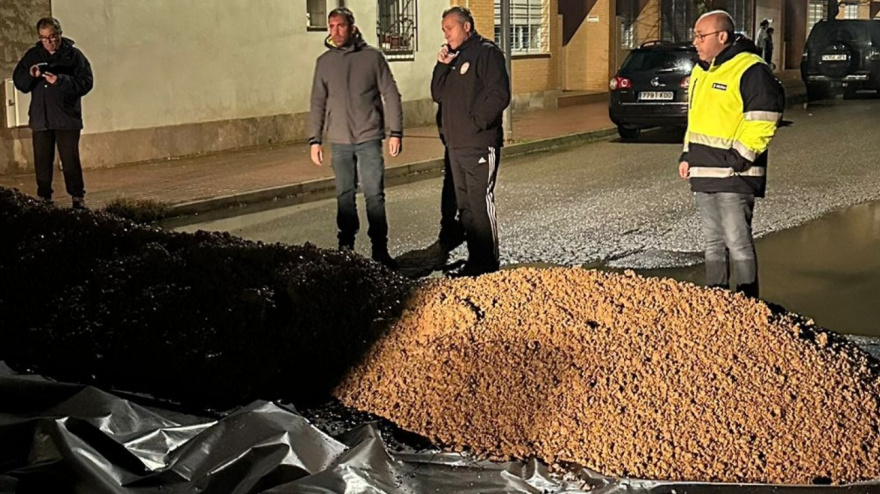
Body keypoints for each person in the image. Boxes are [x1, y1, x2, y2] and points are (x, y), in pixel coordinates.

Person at [678, 10, 784, 298]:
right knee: (713, 242)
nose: (695, 42)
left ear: (722, 36)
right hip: (704, 170)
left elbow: (764, 116)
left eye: (701, 36)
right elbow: (697, 120)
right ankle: (718, 301)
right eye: (695, 36)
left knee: (737, 240)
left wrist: (741, 157)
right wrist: (687, 155)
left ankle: (748, 302)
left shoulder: (750, 69)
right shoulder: (702, 70)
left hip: (735, 173)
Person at [308, 7, 403, 269]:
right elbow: (317, 102)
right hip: (339, 140)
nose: (335, 31)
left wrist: (395, 132)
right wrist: (314, 139)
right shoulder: (324, 62)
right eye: (331, 26)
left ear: (352, 27)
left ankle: (380, 250)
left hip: (369, 137)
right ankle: (346, 249)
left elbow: (391, 94)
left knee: (374, 195)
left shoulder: (372, 58)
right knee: (344, 196)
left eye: (340, 25)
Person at [431, 6, 510, 277]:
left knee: (479, 203)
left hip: (477, 143)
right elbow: (437, 93)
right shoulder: (455, 57)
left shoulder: (487, 53)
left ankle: (488, 263)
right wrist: (442, 64)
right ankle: (475, 260)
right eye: (444, 30)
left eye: (449, 28)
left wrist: (475, 122)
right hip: (456, 146)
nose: (446, 34)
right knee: (464, 207)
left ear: (466, 27)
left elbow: (499, 95)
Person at [13, 17, 93, 209]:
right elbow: (20, 82)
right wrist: (30, 75)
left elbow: (86, 83)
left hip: (66, 117)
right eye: (44, 38)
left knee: (69, 159)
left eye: (52, 37)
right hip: (41, 118)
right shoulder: (33, 55)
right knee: (42, 160)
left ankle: (77, 197)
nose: (49, 42)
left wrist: (61, 81)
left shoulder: (74, 56)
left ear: (59, 34)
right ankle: (44, 197)